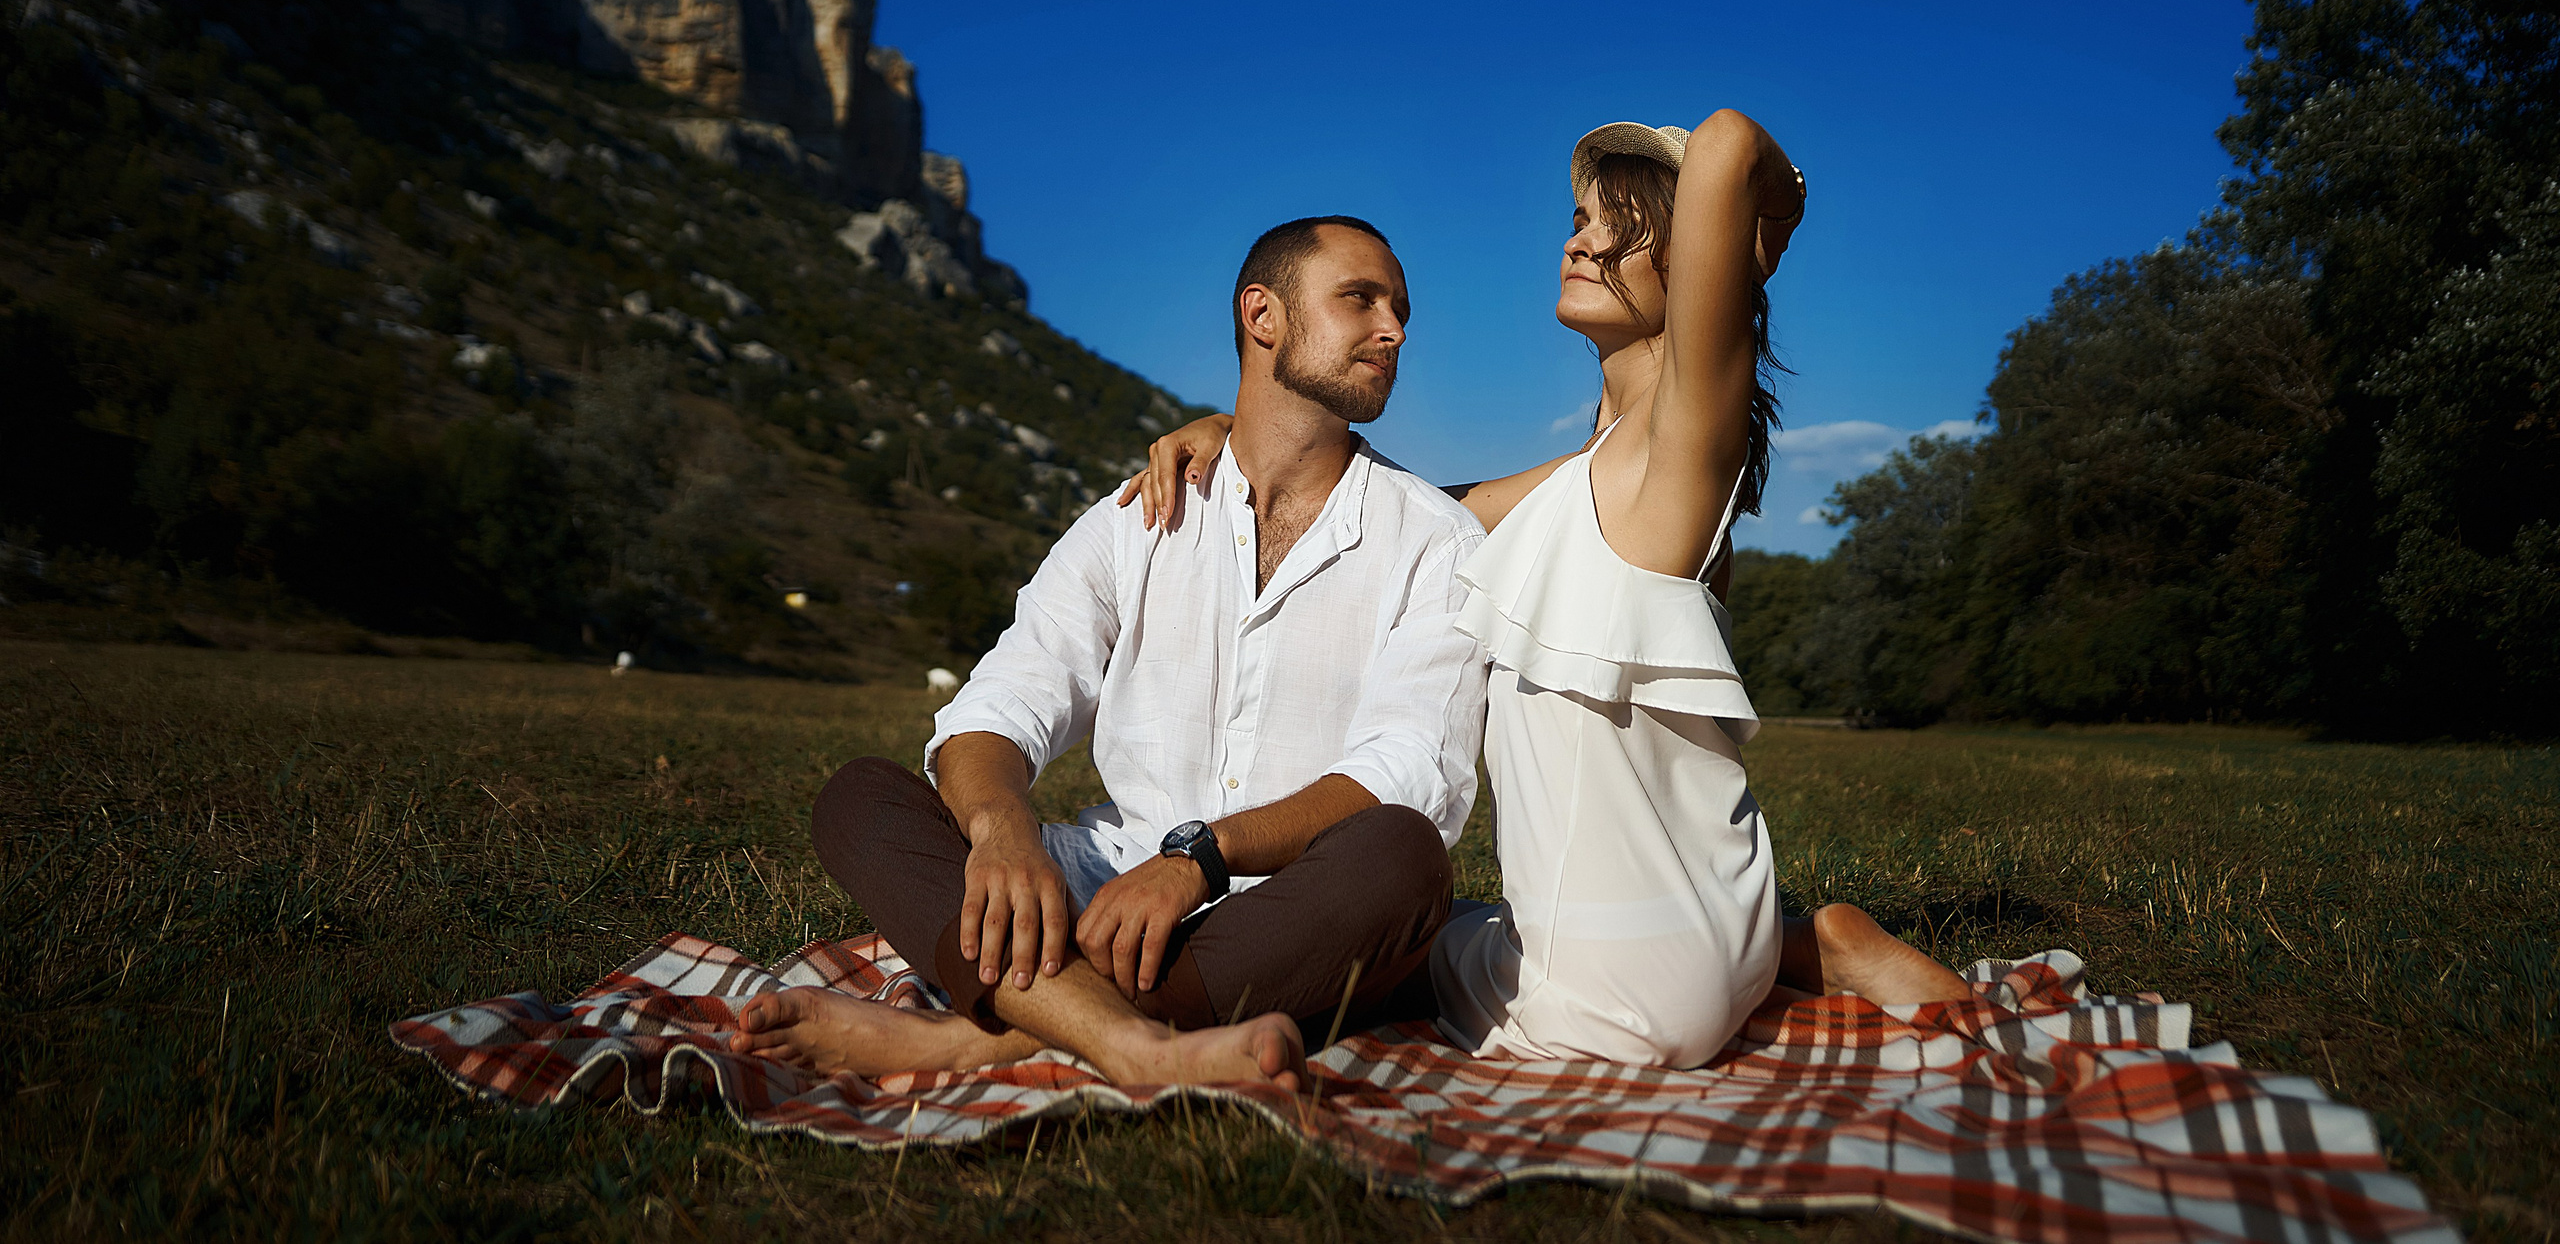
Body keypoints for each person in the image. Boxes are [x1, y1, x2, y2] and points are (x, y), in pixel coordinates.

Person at [1124, 115, 1969, 1069]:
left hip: (1621, 992)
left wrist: (1759, 235)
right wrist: (1242, 436)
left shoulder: (1680, 449)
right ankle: (1803, 947)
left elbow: (1731, 141)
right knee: (1449, 919)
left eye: (1624, 227)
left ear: (1695, 255)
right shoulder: (1586, 478)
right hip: (1712, 917)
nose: (1581, 241)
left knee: (1362, 946)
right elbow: (1395, 508)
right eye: (1579, 219)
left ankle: (1111, 1022)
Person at [730, 216, 1487, 1091]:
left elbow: (1406, 771)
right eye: (1361, 299)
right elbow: (1002, 701)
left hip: (1285, 912)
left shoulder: (1435, 541)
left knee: (1403, 854)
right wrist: (1003, 830)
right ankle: (1134, 1040)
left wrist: (1202, 858)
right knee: (862, 794)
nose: (1394, 330)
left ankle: (976, 1040)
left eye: (1401, 310)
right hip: (1103, 891)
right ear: (1262, 315)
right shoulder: (1139, 519)